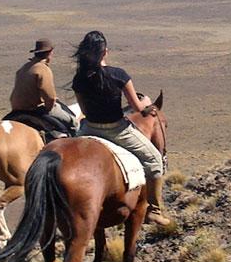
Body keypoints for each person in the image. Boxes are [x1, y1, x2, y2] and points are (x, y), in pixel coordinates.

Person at [70, 30, 171, 226]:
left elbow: (83, 110)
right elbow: (138, 109)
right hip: (117, 130)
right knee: (155, 160)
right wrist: (148, 102)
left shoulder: (79, 79)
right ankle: (155, 210)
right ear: (105, 52)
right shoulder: (119, 75)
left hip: (89, 129)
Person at [9, 38, 77, 139]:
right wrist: (49, 108)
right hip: (34, 109)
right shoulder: (43, 69)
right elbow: (50, 97)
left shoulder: (24, 68)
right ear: (50, 53)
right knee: (72, 121)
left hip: (16, 108)